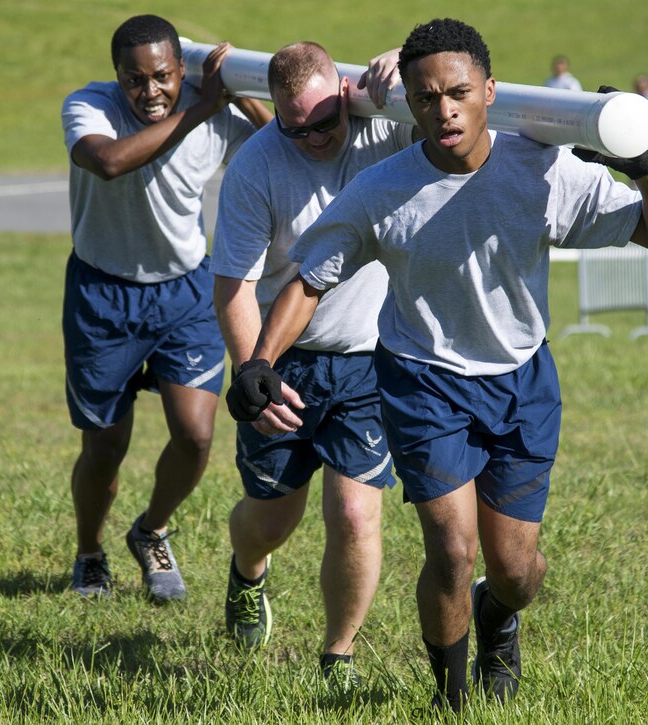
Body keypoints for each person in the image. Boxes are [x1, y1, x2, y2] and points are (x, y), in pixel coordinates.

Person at [225, 17, 648, 710]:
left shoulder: (540, 170)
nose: (443, 109)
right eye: (426, 98)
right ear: (407, 107)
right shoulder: (383, 189)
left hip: (520, 381)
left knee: (516, 570)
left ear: (489, 92)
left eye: (458, 93)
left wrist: (645, 168)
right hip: (423, 380)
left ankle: (498, 613)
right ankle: (451, 699)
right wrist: (260, 360)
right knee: (450, 545)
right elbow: (309, 280)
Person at [211, 41, 416, 681]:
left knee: (355, 515)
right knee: (272, 519)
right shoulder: (257, 165)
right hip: (284, 356)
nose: (312, 138)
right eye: (293, 127)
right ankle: (248, 572)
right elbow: (235, 284)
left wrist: (403, 59)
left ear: (344, 95)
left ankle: (338, 654)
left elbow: (451, 101)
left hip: (366, 359)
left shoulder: (384, 125)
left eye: (324, 122)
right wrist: (252, 372)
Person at [61, 14, 272, 602]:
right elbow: (108, 161)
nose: (148, 91)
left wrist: (238, 92)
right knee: (104, 446)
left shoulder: (212, 109)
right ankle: (89, 552)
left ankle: (150, 530)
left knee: (196, 437)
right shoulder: (90, 107)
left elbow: (286, 149)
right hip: (102, 294)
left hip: (184, 294)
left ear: (183, 69)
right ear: (116, 77)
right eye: (135, 79)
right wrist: (201, 107)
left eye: (162, 76)